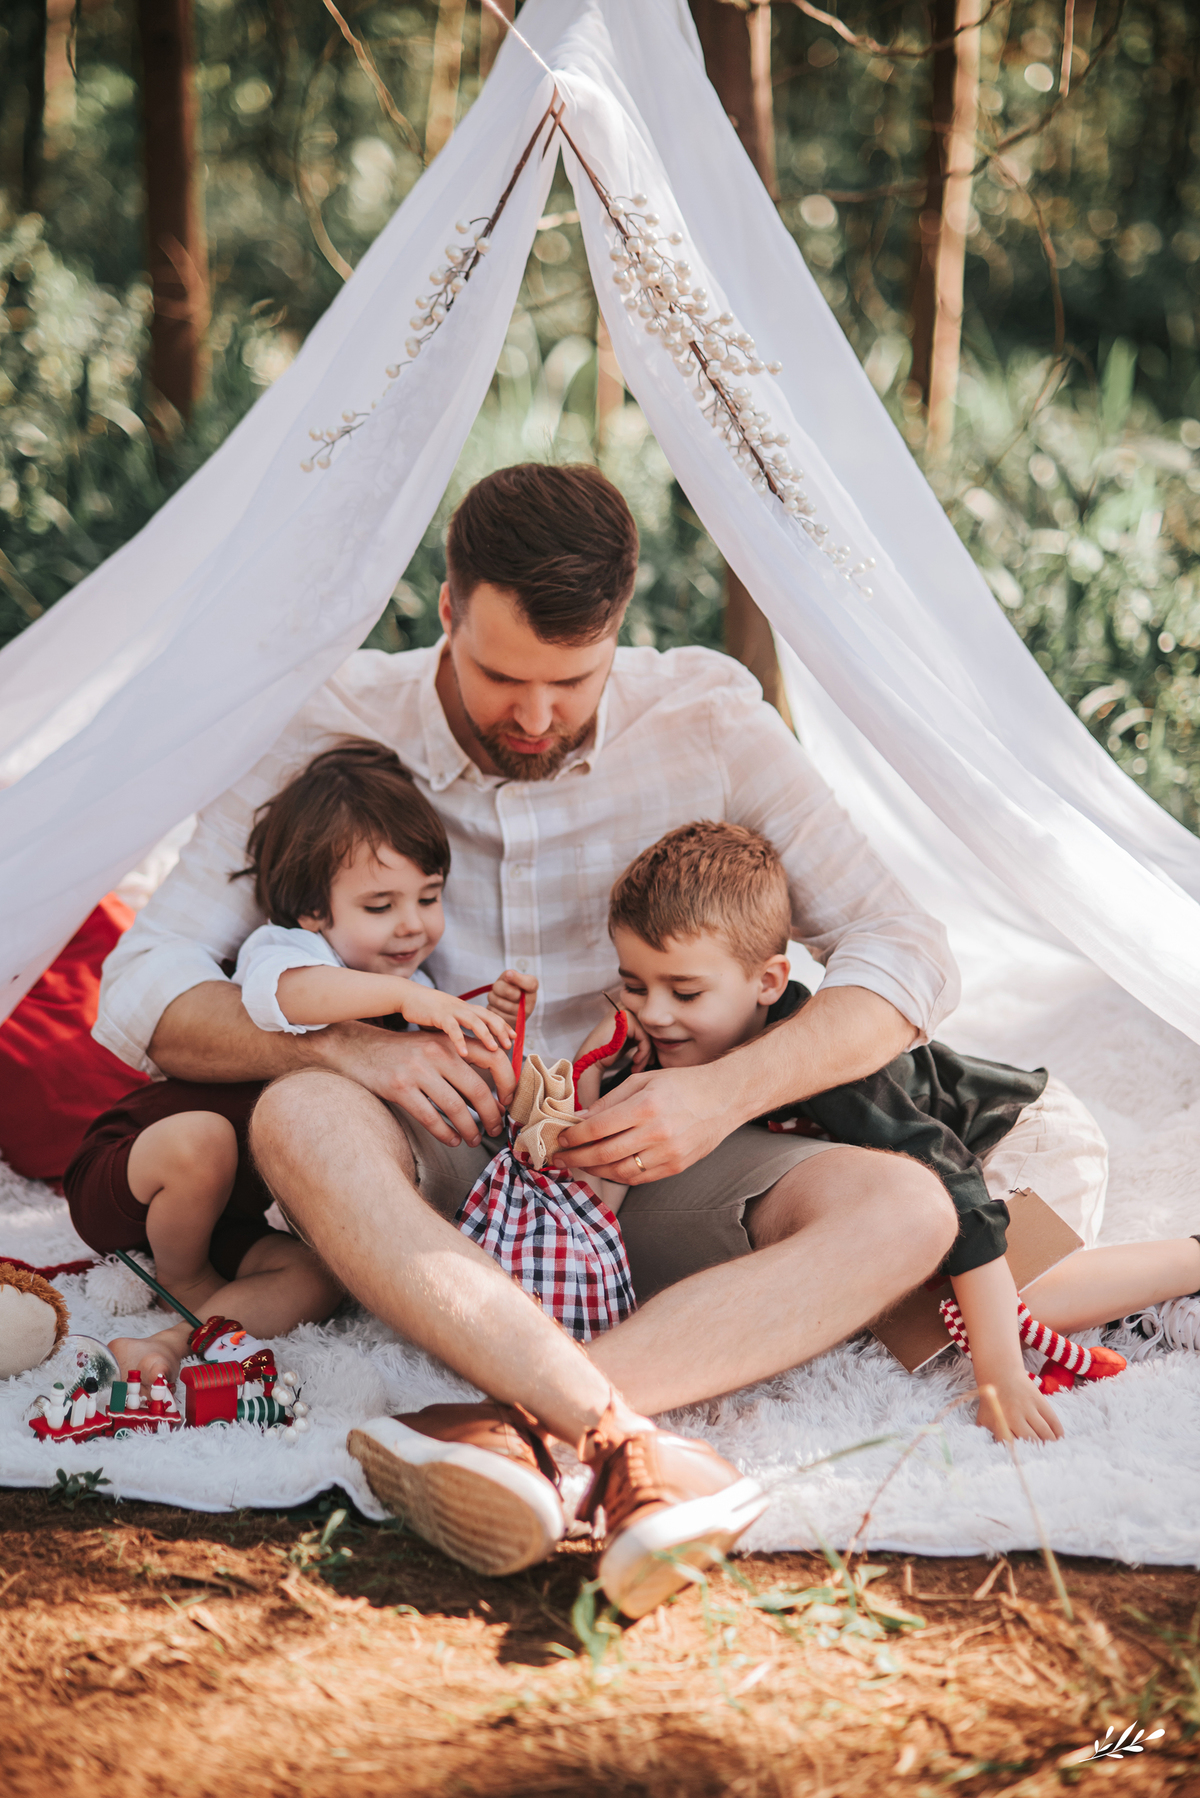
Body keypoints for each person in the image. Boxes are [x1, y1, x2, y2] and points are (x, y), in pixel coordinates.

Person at [96, 461, 964, 1617]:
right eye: (503, 674)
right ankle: (614, 1440)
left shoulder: (706, 715)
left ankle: (499, 1427)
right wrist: (349, 1052)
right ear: (446, 609)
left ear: (622, 627)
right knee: (305, 1112)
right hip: (436, 1155)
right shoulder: (330, 719)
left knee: (911, 1208)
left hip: (647, 1151)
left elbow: (907, 949)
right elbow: (141, 989)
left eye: (573, 680)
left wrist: (720, 1094)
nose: (537, 716)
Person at [571, 819, 1200, 1444]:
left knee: (964, 1314)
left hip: (1011, 1132)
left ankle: (1187, 1260)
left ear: (767, 981)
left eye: (684, 991)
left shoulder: (821, 1063)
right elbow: (592, 1211)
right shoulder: (657, 1047)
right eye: (633, 985)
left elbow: (955, 1186)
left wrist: (1001, 1375)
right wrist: (592, 1083)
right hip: (923, 1172)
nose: (653, 1012)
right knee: (885, 1303)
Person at [65, 740, 506, 1383]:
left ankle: (175, 1341)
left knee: (315, 1276)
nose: (412, 925)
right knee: (206, 1140)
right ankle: (179, 1276)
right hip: (140, 1170)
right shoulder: (289, 951)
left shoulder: (407, 983)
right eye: (380, 906)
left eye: (428, 897)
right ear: (313, 911)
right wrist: (411, 996)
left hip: (230, 1213)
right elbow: (290, 1000)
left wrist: (494, 1011)